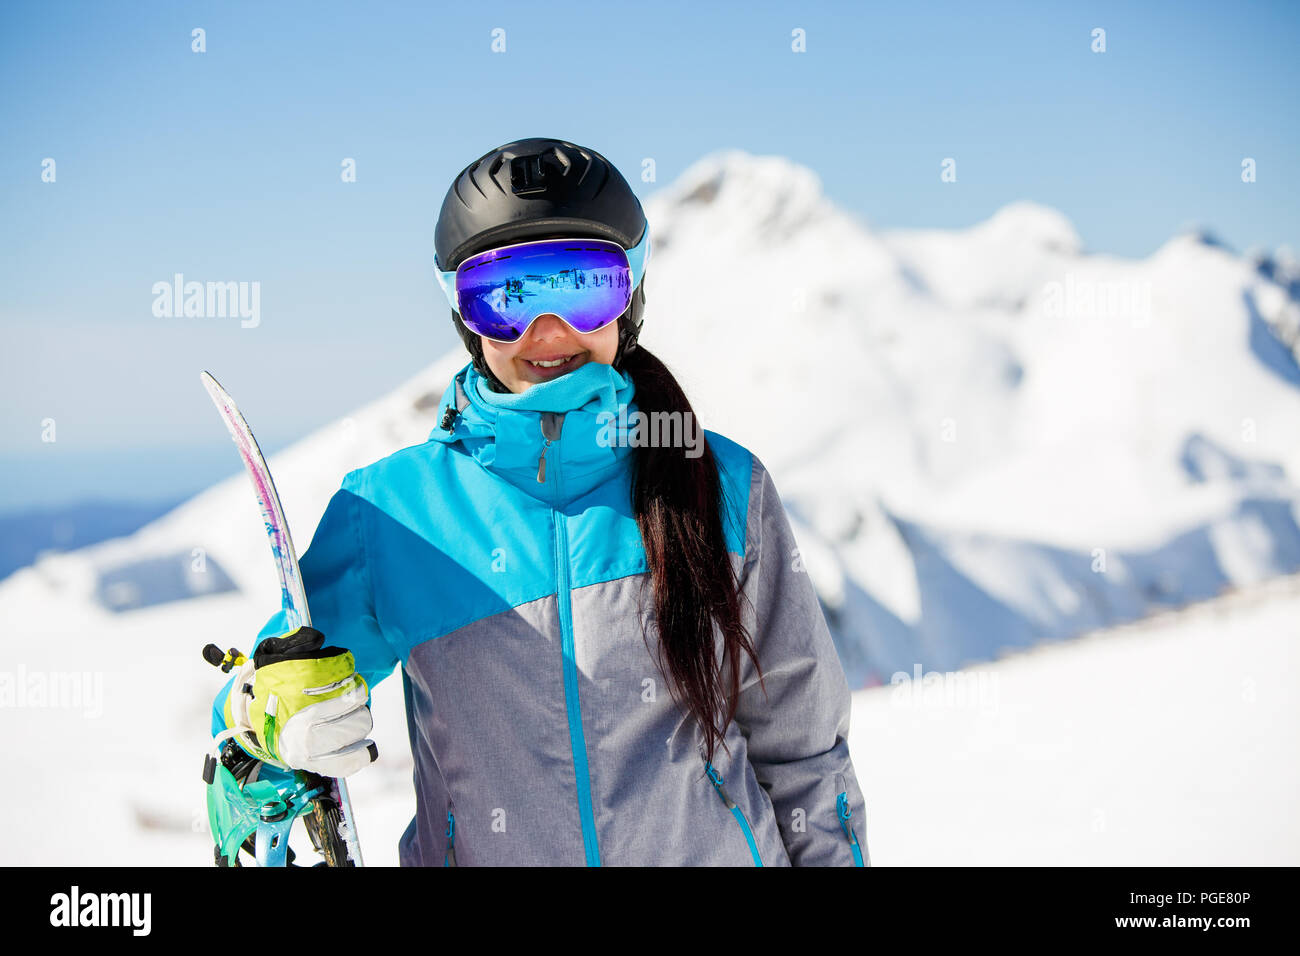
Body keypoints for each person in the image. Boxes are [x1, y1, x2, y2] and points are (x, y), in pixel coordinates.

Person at [211, 137, 870, 867]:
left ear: (632, 299)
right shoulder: (391, 518)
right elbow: (276, 680)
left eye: (582, 288)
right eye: (509, 297)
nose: (547, 334)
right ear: (465, 317)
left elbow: (805, 754)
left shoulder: (722, 485)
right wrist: (264, 719)